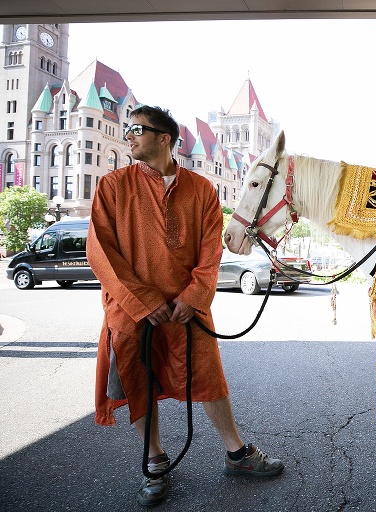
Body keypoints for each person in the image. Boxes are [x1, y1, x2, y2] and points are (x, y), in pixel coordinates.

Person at [87, 105, 283, 507]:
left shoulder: (202, 189)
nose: (129, 136)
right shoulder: (113, 185)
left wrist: (193, 297)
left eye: (137, 129)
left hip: (186, 309)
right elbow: (100, 251)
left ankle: (237, 454)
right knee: (138, 380)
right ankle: (155, 461)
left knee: (208, 376)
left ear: (164, 138)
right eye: (127, 129)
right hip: (130, 309)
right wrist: (143, 301)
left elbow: (211, 252)